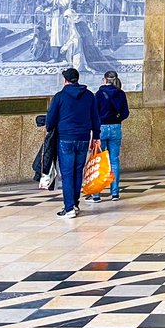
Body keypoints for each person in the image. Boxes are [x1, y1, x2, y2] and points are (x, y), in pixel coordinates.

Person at [44, 67, 100, 219]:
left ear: (65, 80)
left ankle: (69, 208)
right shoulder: (89, 96)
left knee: (67, 174)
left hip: (65, 139)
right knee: (77, 171)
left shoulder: (60, 96)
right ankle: (75, 204)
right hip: (83, 138)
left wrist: (50, 127)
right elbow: (95, 117)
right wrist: (96, 136)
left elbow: (50, 120)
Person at [85, 70, 130, 203]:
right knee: (114, 160)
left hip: (101, 129)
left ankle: (96, 195)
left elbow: (93, 113)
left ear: (104, 79)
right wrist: (117, 119)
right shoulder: (121, 94)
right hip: (116, 128)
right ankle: (115, 193)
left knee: (98, 160)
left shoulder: (98, 94)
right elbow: (125, 113)